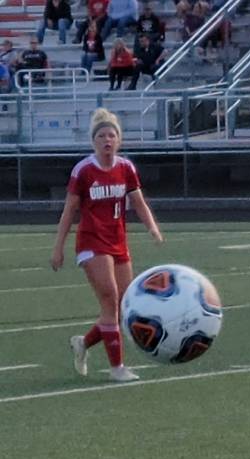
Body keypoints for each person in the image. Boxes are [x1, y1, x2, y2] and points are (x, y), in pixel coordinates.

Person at [50, 108, 163, 383]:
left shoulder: (126, 168)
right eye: (101, 135)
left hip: (118, 242)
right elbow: (69, 211)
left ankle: (83, 343)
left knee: (124, 305)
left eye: (111, 135)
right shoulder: (84, 170)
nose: (107, 139)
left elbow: (137, 201)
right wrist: (58, 247)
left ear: (119, 140)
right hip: (91, 242)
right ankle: (117, 368)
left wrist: (152, 226)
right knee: (110, 297)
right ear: (94, 141)